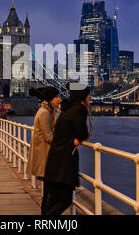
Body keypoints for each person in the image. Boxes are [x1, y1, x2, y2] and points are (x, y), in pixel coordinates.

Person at [43, 83, 91, 215]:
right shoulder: (79, 110)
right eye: (88, 95)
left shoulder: (67, 109)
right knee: (64, 200)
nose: (90, 98)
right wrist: (77, 138)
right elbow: (83, 133)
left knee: (53, 199)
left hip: (55, 159)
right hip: (64, 162)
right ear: (82, 97)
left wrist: (76, 138)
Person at [26, 86, 61, 215]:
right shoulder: (45, 113)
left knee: (48, 193)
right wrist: (66, 142)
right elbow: (49, 137)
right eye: (57, 97)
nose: (59, 99)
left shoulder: (47, 111)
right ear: (50, 99)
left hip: (46, 156)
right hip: (45, 158)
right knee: (50, 195)